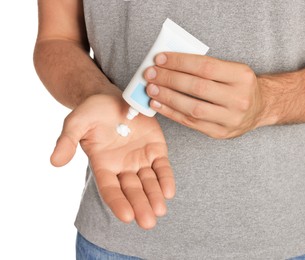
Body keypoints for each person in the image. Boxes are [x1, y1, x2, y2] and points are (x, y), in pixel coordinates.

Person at [34, 0, 305, 259]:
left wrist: (269, 101)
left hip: (285, 238)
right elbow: (58, 38)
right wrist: (95, 91)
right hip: (116, 234)